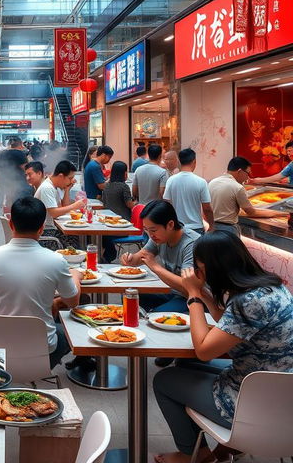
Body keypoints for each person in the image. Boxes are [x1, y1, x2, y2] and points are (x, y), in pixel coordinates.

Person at [153, 232, 293, 463]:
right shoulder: (270, 287)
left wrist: (194, 295)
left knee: (164, 380)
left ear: (214, 267)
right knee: (186, 363)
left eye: (199, 267)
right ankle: (228, 449)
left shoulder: (247, 302)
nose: (197, 273)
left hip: (255, 404)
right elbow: (228, 322)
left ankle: (193, 455)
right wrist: (206, 295)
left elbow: (205, 350)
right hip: (280, 394)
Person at [0, 197, 81, 368]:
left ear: (11, 224)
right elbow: (73, 302)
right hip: (41, 351)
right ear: (41, 228)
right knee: (72, 327)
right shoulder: (56, 261)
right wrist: (76, 275)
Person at [121, 200, 199, 314]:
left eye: (153, 230)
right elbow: (142, 256)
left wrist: (155, 267)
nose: (150, 235)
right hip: (170, 292)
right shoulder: (159, 237)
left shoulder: (191, 244)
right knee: (129, 295)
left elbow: (189, 287)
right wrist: (130, 259)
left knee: (154, 317)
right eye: (146, 230)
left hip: (192, 298)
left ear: (170, 225)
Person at [208, 156, 288, 236]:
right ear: (240, 171)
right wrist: (280, 214)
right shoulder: (237, 187)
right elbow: (251, 212)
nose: (248, 177)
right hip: (228, 230)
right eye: (248, 173)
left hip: (211, 225)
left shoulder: (212, 182)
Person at [163, 149, 214, 235]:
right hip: (196, 228)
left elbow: (166, 203)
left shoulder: (171, 180)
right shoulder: (201, 182)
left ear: (179, 161)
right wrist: (212, 225)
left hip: (177, 227)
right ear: (194, 161)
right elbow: (207, 208)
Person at [34, 160, 86, 227]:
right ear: (61, 176)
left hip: (55, 226)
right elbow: (54, 213)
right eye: (70, 178)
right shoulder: (47, 187)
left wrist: (67, 189)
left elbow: (64, 207)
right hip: (48, 230)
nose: (72, 181)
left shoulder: (55, 186)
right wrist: (74, 206)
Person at [1, 138, 31, 207]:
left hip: (6, 179)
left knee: (8, 197)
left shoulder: (3, 153)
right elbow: (25, 168)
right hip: (19, 181)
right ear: (21, 144)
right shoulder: (20, 153)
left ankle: (9, 214)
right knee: (18, 200)